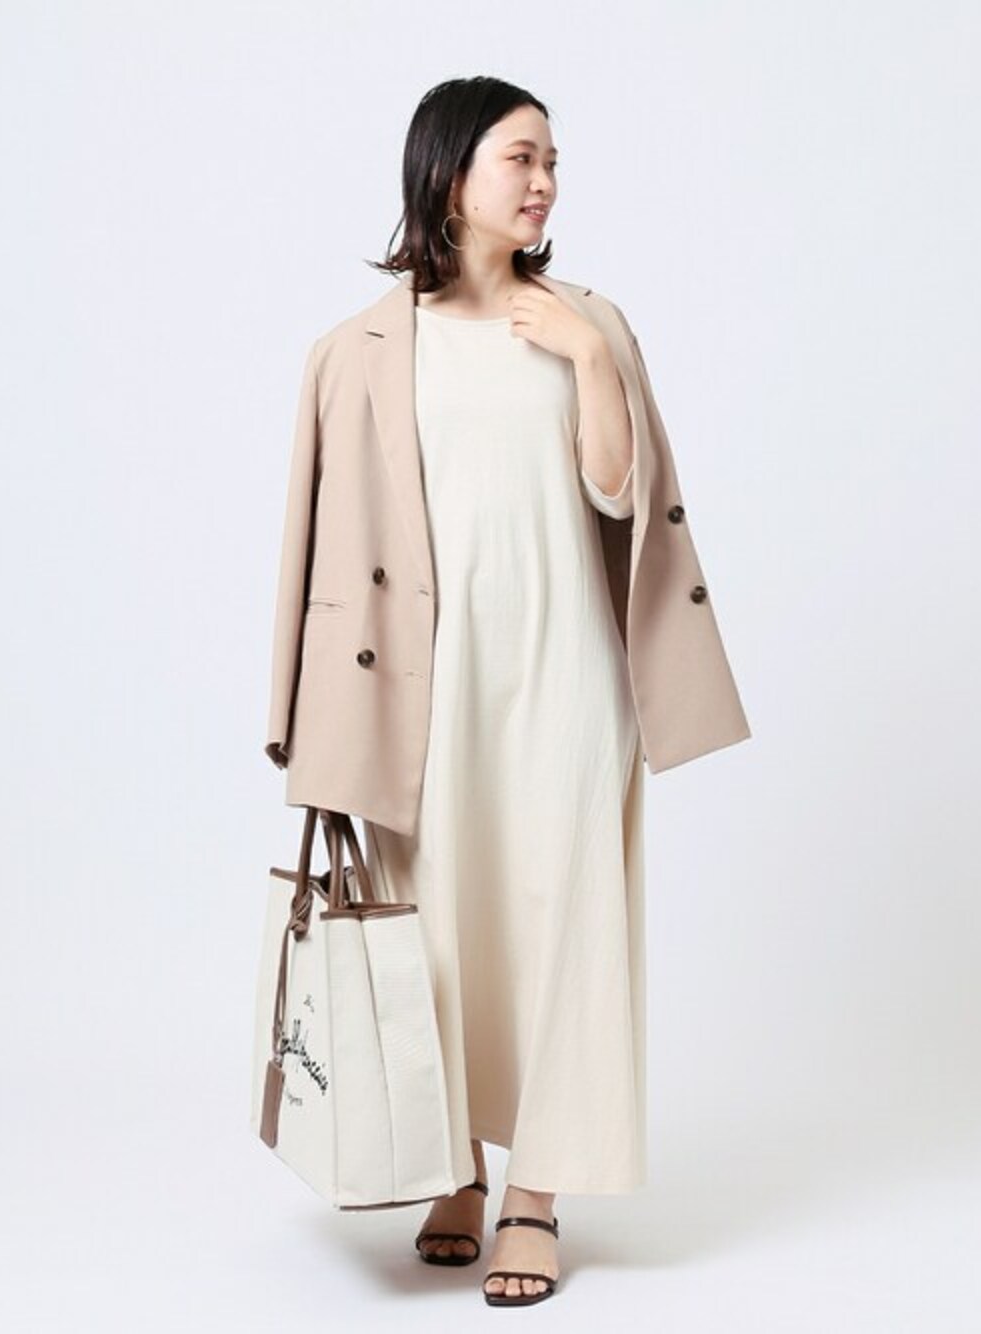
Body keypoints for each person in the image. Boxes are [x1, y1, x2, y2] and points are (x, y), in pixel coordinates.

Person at [362, 76, 641, 1309]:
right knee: (436, 917)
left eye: (552, 162)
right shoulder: (368, 346)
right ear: (447, 171)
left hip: (567, 667)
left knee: (564, 917)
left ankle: (534, 1189)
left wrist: (589, 358)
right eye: (521, 158)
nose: (543, 182)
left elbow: (617, 492)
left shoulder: (589, 321)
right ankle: (455, 1170)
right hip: (428, 684)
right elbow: (326, 549)